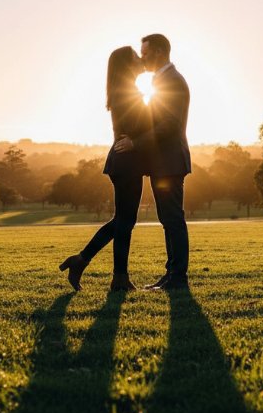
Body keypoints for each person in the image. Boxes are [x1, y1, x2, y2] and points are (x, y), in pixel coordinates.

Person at [58, 46, 149, 292]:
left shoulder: (126, 91)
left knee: (123, 220)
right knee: (125, 221)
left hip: (125, 162)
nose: (141, 59)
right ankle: (118, 278)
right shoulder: (126, 93)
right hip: (126, 162)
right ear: (127, 65)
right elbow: (137, 128)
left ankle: (83, 262)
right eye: (135, 57)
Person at [114, 33, 191, 290]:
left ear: (159, 52)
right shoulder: (161, 81)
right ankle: (171, 275)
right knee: (167, 219)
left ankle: (178, 278)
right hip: (163, 163)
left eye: (145, 54)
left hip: (170, 161)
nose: (143, 59)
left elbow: (169, 124)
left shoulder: (173, 81)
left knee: (173, 219)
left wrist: (136, 142)